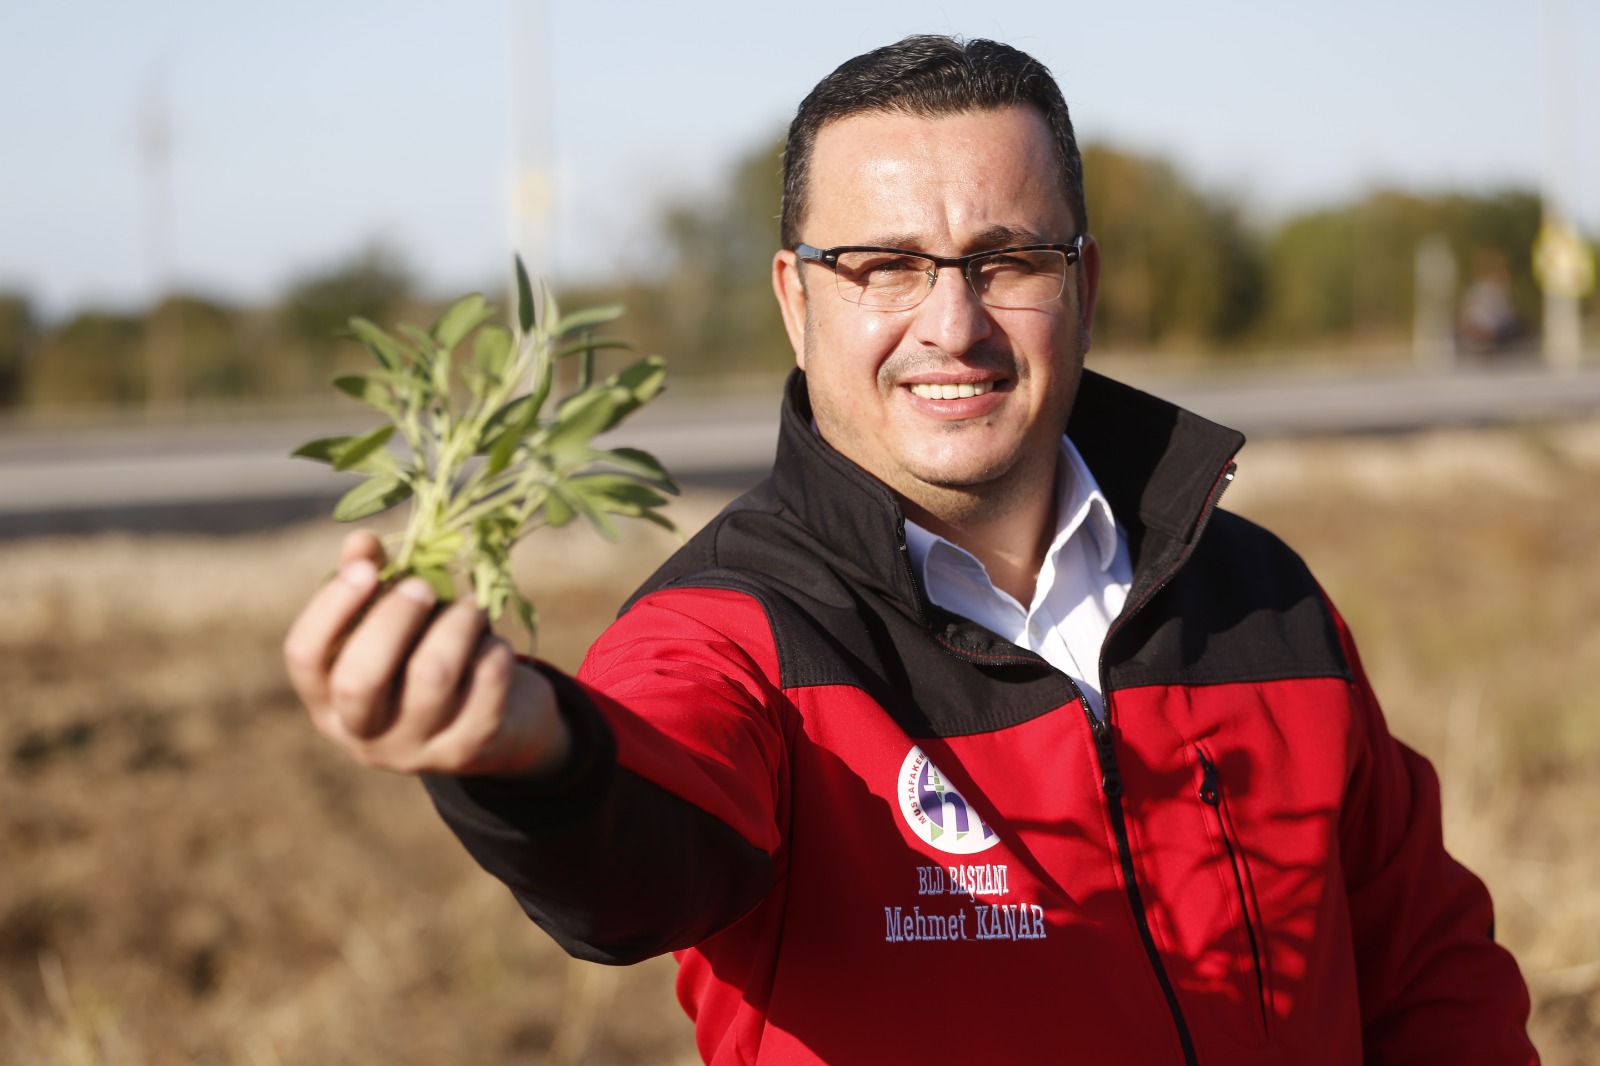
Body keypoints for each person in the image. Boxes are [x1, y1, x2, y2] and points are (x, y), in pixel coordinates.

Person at [284, 36, 1537, 1065]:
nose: (952, 324)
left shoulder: (1256, 592)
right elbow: (636, 852)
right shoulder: (732, 632)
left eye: (1005, 261)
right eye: (882, 266)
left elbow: (1424, 966)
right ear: (795, 297)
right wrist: (527, 754)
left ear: (1083, 287)